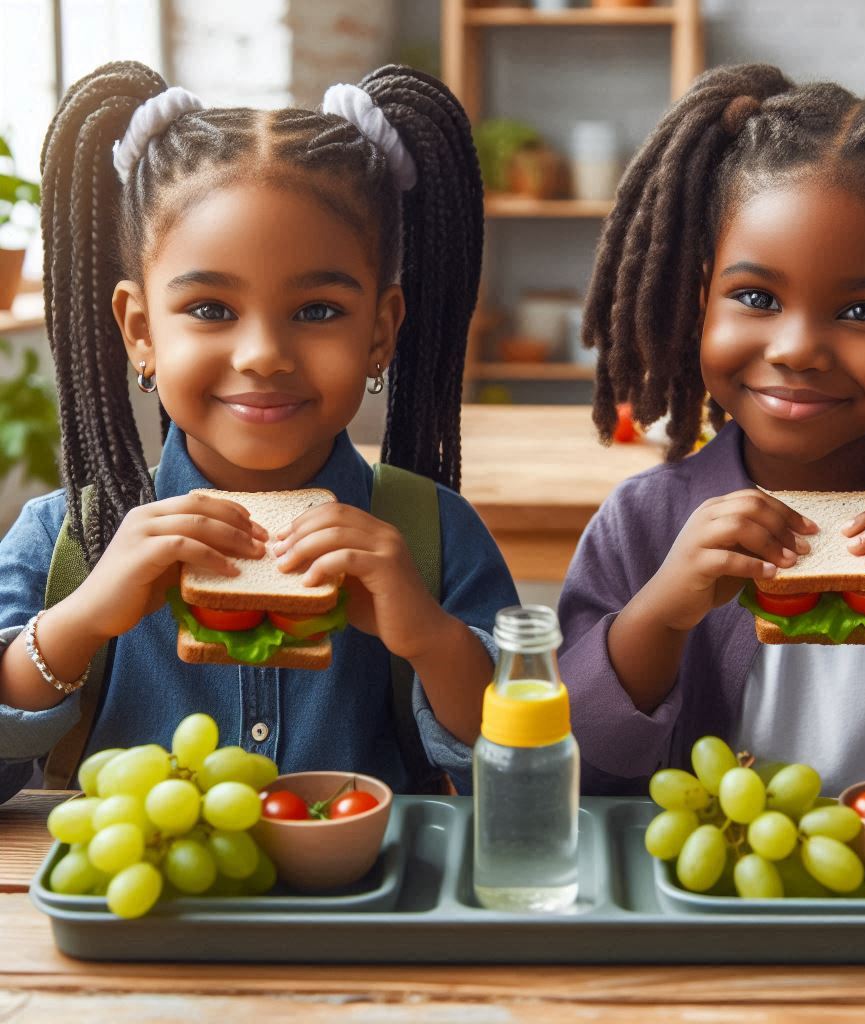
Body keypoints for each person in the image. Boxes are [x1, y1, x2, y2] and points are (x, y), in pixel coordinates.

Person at [0, 61, 518, 803]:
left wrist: (430, 637)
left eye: (317, 311)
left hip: (371, 912)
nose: (263, 355)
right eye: (210, 309)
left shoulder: (435, 538)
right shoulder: (64, 544)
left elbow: (524, 775)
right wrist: (78, 622)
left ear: (380, 332)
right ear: (140, 332)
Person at [558, 64, 865, 798]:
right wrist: (658, 613)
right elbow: (572, 768)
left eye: (864, 310)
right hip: (716, 906)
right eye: (755, 296)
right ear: (700, 298)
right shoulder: (642, 526)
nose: (797, 348)